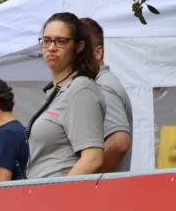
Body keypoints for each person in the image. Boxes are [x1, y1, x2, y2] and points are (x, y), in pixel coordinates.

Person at [26, 12, 106, 179]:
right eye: (46, 40)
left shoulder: (81, 88)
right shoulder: (59, 90)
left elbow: (93, 158)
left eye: (61, 41)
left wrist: (57, 193)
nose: (51, 47)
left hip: (58, 197)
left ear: (79, 46)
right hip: (41, 193)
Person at [80, 17, 134, 173]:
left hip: (98, 193)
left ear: (98, 52)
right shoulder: (96, 85)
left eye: (80, 50)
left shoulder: (102, 87)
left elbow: (118, 143)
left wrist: (78, 179)